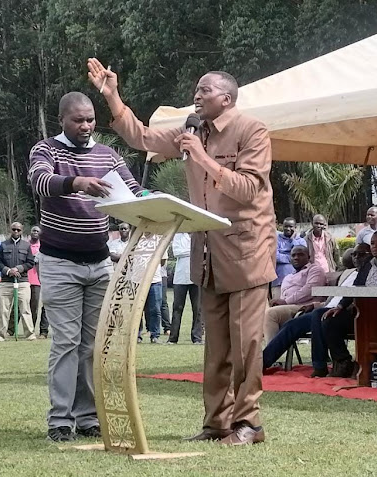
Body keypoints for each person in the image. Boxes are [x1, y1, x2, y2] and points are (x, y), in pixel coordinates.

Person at [89, 59, 276, 445]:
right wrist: (113, 97)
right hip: (207, 252)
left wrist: (201, 156)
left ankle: (250, 425)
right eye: (196, 89)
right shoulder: (192, 131)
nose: (196, 94)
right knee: (217, 347)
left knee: (246, 345)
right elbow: (140, 137)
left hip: (246, 251)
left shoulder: (251, 130)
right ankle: (217, 424)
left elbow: (248, 189)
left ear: (226, 97)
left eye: (204, 90)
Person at [28, 91, 148, 442]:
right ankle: (60, 420)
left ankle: (88, 416)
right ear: (62, 120)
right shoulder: (47, 150)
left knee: (93, 346)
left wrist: (154, 203)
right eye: (78, 120)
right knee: (65, 343)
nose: (86, 125)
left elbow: (133, 189)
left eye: (90, 119)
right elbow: (40, 182)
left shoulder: (107, 155)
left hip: (99, 263)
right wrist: (76, 182)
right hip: (59, 262)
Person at [262, 244, 371, 377]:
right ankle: (262, 362)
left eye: (361, 254)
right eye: (354, 254)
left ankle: (320, 366)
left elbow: (356, 295)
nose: (356, 258)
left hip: (345, 312)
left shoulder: (370, 272)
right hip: (326, 308)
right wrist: (315, 305)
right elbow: (334, 298)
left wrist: (338, 307)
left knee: (318, 315)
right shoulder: (350, 273)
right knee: (291, 325)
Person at [321, 231, 377, 378]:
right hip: (360, 312)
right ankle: (343, 362)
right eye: (372, 243)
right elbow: (356, 289)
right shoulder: (367, 266)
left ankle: (366, 365)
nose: (375, 246)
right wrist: (341, 306)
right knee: (330, 320)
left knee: (364, 321)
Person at [263, 246, 326, 344]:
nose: (296, 257)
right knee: (260, 313)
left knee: (271, 314)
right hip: (289, 307)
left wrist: (285, 302)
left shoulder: (315, 269)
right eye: (293, 255)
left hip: (305, 307)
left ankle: (269, 355)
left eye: (300, 254)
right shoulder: (289, 276)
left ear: (309, 257)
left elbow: (310, 290)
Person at [0, 222, 36, 341]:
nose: (16, 232)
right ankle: (1, 335)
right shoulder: (3, 245)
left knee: (25, 310)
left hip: (22, 282)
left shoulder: (26, 246)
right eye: (14, 229)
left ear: (22, 231)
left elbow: (30, 263)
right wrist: (8, 271)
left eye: (18, 230)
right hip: (6, 282)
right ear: (10, 230)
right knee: (3, 310)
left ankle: (30, 335)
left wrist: (18, 269)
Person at [132, 233, 168, 344]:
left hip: (154, 280)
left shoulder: (159, 239)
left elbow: (162, 261)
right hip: (137, 280)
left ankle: (155, 335)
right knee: (137, 310)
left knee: (155, 309)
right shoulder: (136, 237)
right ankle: (136, 336)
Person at [168, 232, 203, 345]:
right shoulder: (178, 235)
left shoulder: (198, 235)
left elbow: (202, 252)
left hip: (196, 276)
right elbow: (177, 252)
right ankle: (173, 338)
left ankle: (197, 337)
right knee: (177, 308)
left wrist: (194, 252)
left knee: (197, 309)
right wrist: (194, 252)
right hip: (180, 277)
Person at [271, 218, 306, 300]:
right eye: (285, 226)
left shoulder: (301, 241)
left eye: (290, 226)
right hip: (279, 280)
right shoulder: (277, 239)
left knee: (293, 304)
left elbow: (302, 259)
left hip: (297, 282)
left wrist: (292, 240)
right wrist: (292, 259)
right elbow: (275, 257)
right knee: (277, 306)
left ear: (295, 227)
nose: (288, 229)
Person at [27, 226, 49, 339]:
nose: (35, 233)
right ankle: (31, 331)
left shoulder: (45, 247)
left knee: (46, 307)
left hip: (46, 281)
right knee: (30, 308)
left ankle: (43, 331)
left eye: (37, 231)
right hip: (28, 280)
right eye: (33, 231)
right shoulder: (26, 246)